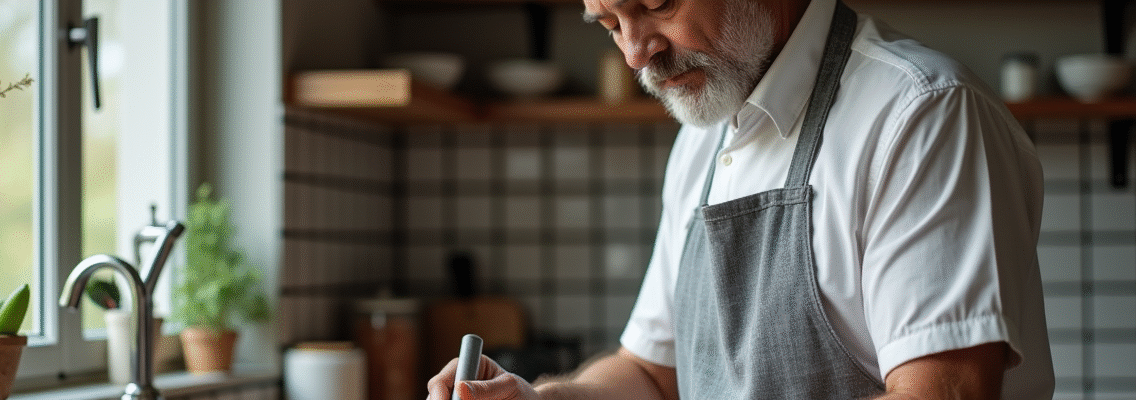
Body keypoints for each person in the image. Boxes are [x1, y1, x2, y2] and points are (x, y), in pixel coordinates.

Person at [428, 0, 1054, 398]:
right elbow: (652, 373)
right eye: (613, 23)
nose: (636, 53)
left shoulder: (919, 114)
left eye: (657, 5)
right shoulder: (704, 137)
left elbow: (945, 392)